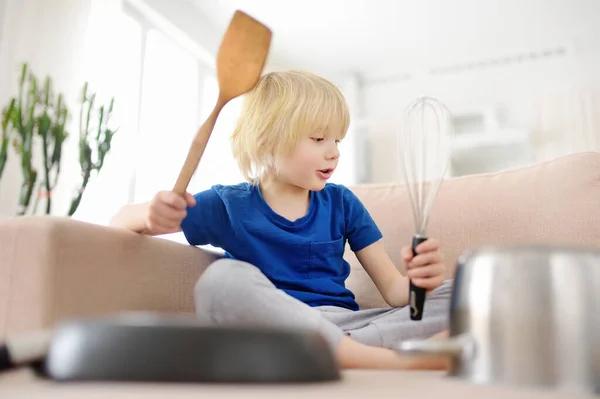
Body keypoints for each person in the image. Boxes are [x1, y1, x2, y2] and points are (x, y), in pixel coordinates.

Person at [110, 70, 453, 370]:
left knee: (463, 290)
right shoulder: (229, 204)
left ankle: (344, 352)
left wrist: (418, 285)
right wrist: (151, 214)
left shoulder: (342, 203)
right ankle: (385, 358)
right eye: (318, 139)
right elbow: (121, 221)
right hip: (275, 330)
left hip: (351, 326)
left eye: (337, 140)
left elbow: (395, 293)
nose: (333, 151)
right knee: (221, 281)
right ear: (267, 142)